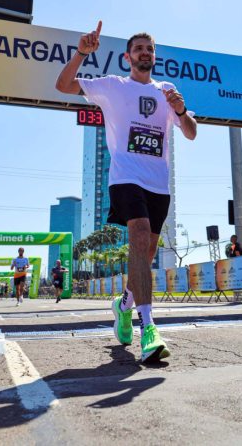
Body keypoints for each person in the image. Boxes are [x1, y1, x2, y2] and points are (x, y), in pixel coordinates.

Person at [56, 22, 197, 363]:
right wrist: (81, 54)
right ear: (127, 57)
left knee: (145, 256)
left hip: (158, 185)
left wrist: (179, 110)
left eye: (149, 50)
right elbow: (63, 85)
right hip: (125, 179)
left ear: (154, 56)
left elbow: (191, 133)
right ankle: (148, 328)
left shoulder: (167, 90)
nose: (145, 54)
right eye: (138, 50)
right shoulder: (113, 86)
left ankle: (124, 305)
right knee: (136, 235)